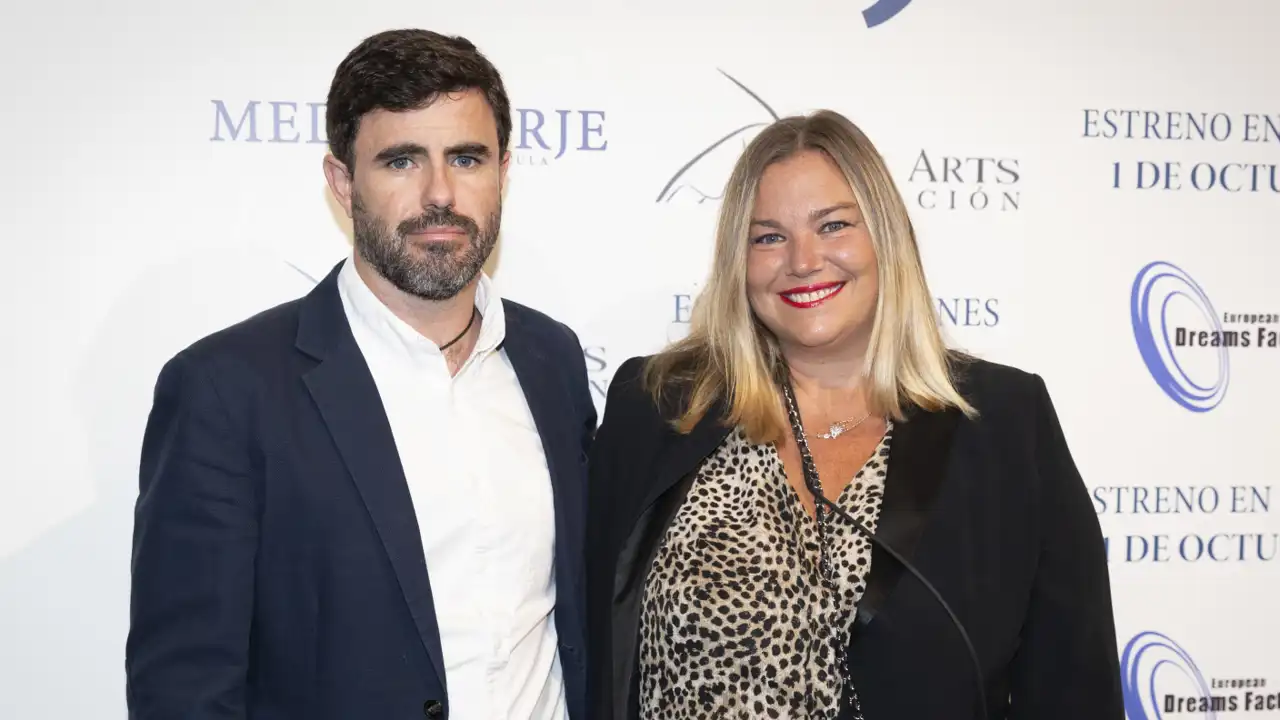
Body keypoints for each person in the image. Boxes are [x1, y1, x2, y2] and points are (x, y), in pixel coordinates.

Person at [584, 109, 1123, 719]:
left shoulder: (1006, 424)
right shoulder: (657, 407)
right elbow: (595, 651)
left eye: (833, 225)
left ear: (885, 238)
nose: (803, 260)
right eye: (767, 237)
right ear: (739, 260)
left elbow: (1073, 687)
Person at [125, 29, 595, 720]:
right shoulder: (227, 391)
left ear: (503, 169)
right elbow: (184, 691)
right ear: (343, 182)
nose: (441, 193)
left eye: (466, 158)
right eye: (401, 161)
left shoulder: (551, 360)